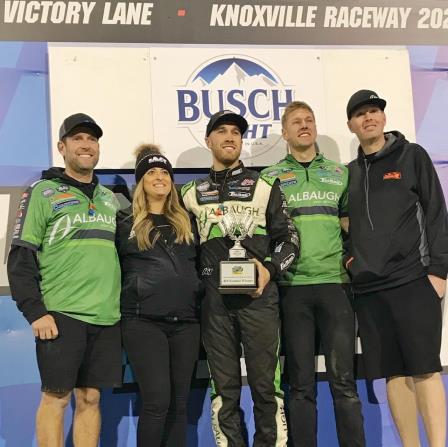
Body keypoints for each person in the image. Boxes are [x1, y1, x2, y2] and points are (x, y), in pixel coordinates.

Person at [181, 110, 299, 447]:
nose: (230, 137)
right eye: (221, 131)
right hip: (214, 303)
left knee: (266, 388)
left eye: (236, 132)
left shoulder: (264, 186)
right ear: (208, 140)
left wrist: (270, 269)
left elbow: (290, 241)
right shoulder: (189, 192)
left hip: (259, 298)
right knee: (225, 391)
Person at [7, 113, 122, 447]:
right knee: (55, 399)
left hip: (106, 317)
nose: (86, 145)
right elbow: (20, 257)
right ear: (62, 146)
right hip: (61, 315)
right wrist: (35, 311)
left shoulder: (109, 198)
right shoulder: (42, 192)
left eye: (92, 139)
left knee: (90, 399)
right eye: (78, 139)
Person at [345, 89, 448, 447]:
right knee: (392, 374)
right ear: (351, 125)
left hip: (414, 280)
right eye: (361, 114)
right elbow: (343, 227)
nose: (368, 118)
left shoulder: (412, 155)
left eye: (374, 111)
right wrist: (350, 262)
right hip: (370, 290)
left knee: (425, 369)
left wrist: (438, 270)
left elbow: (436, 213)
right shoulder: (349, 173)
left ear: (383, 118)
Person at [262, 101, 366, 447]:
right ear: (284, 132)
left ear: (316, 126)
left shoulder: (340, 173)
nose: (304, 126)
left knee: (344, 383)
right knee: (301, 385)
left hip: (336, 287)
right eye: (296, 122)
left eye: (309, 120)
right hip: (292, 289)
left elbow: (354, 227)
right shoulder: (269, 177)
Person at [116, 144, 201, 447]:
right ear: (141, 181)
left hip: (187, 324)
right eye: (151, 172)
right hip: (143, 322)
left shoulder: (187, 221)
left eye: (164, 172)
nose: (159, 177)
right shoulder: (125, 222)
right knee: (157, 402)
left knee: (179, 405)